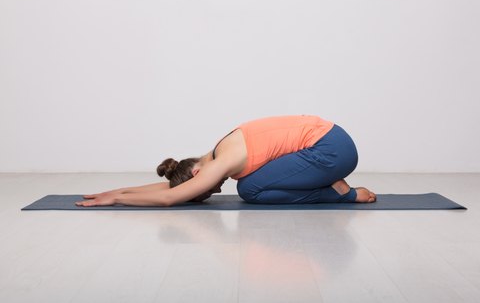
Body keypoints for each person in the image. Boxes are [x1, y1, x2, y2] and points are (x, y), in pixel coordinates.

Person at [76, 115, 376, 207]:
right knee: (249, 183)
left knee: (248, 189)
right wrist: (122, 189)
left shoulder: (221, 164)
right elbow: (170, 185)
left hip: (332, 151)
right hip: (334, 139)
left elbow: (169, 197)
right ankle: (330, 182)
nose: (216, 190)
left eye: (206, 189)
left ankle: (340, 193)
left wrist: (117, 197)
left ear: (197, 173)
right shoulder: (219, 149)